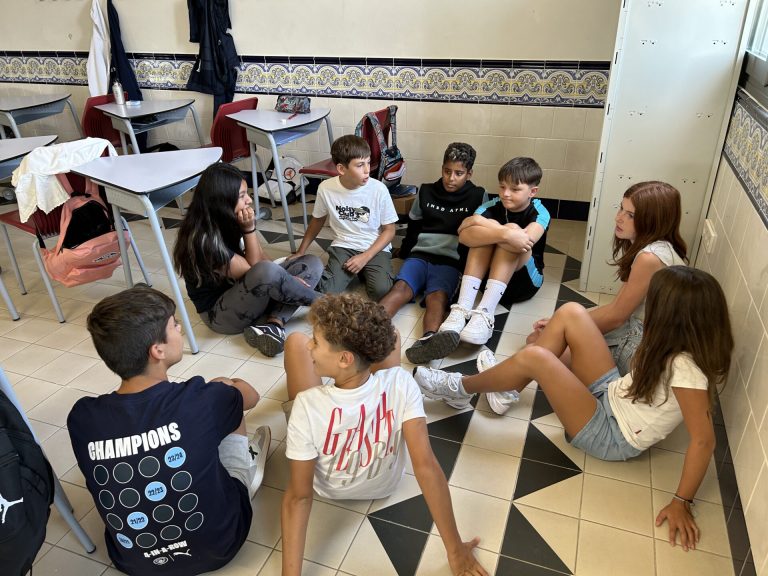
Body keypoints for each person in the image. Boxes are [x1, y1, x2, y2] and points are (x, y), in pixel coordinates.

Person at [414, 266, 732, 552]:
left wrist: (681, 501)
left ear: (672, 317)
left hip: (611, 433)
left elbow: (704, 440)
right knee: (571, 313)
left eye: (655, 305)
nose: (649, 310)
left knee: (536, 358)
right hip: (612, 396)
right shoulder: (677, 344)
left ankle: (459, 389)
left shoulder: (687, 369)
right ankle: (506, 387)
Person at [67, 286, 271, 576]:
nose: (180, 329)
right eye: (174, 325)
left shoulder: (82, 417)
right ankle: (245, 465)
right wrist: (229, 387)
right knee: (226, 392)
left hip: (134, 563)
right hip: (221, 546)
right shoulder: (201, 399)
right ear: (157, 350)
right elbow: (251, 397)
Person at [281, 293, 487, 576]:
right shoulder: (402, 382)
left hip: (330, 490)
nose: (310, 344)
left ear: (344, 359)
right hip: (385, 486)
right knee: (391, 335)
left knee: (293, 343)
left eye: (315, 342)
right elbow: (426, 467)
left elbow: (299, 497)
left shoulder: (307, 405)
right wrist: (455, 549)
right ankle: (357, 368)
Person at [527, 181, 687, 395]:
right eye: (621, 208)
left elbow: (616, 317)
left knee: (536, 347)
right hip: (638, 333)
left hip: (642, 347)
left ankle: (508, 389)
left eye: (631, 215)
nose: (619, 218)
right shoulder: (657, 248)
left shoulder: (649, 258)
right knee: (539, 339)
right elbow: (616, 308)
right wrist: (563, 325)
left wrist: (566, 327)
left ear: (653, 221)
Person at [173, 163, 322, 357]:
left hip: (248, 293)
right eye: (242, 196)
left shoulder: (228, 217)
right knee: (268, 273)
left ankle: (273, 325)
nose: (249, 200)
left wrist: (285, 279)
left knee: (312, 263)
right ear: (222, 200)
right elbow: (256, 271)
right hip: (221, 314)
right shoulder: (203, 240)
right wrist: (249, 229)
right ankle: (330, 304)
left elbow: (261, 257)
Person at [380, 142, 488, 364]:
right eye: (447, 171)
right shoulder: (426, 191)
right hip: (419, 256)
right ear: (442, 168)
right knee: (400, 288)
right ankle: (367, 327)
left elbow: (481, 235)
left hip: (450, 261)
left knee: (437, 297)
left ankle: (428, 341)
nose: (451, 178)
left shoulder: (479, 195)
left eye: (458, 173)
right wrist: (405, 252)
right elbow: (414, 227)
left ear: (469, 174)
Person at [291, 135, 399, 300]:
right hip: (344, 245)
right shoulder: (326, 188)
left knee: (381, 291)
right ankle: (357, 270)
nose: (367, 170)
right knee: (327, 291)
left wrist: (365, 257)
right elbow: (317, 220)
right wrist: (301, 251)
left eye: (368, 162)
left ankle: (364, 269)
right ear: (341, 169)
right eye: (360, 165)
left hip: (374, 247)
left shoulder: (379, 189)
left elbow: (390, 230)